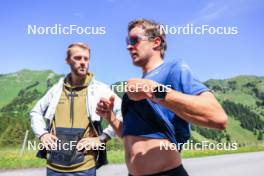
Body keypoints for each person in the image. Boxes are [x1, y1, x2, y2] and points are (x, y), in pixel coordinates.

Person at [96, 19, 228, 176]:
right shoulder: (137, 86)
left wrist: (153, 90)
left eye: (134, 40)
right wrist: (110, 116)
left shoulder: (175, 69)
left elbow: (218, 118)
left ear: (156, 42)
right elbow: (129, 135)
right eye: (127, 41)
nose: (128, 46)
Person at [30, 42, 122, 176]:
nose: (83, 62)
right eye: (77, 58)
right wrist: (42, 134)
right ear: (67, 61)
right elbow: (35, 112)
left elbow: (124, 112)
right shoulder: (57, 89)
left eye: (86, 58)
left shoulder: (100, 89)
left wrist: (102, 138)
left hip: (84, 168)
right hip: (53, 168)